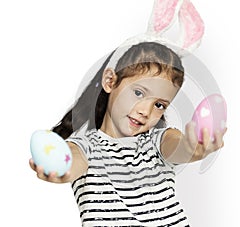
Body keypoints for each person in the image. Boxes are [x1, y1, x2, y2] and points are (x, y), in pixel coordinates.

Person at [29, 42, 226, 226]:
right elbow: (73, 158)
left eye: (159, 105)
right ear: (110, 82)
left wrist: (192, 148)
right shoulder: (86, 147)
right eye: (139, 93)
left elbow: (177, 145)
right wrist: (61, 167)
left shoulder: (156, 142)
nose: (145, 111)